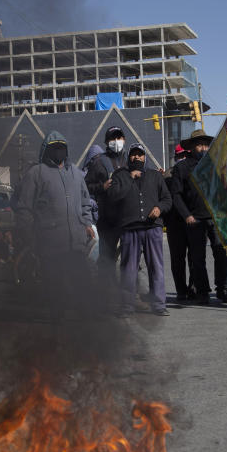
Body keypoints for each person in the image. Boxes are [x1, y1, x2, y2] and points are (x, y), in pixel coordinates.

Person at [15, 131, 95, 319]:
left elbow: (85, 202)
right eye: (54, 147)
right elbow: (24, 208)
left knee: (82, 281)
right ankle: (56, 321)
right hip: (50, 243)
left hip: (75, 242)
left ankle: (86, 316)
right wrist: (28, 237)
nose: (59, 151)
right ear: (46, 150)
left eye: (62, 147)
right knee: (54, 284)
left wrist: (87, 223)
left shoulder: (76, 173)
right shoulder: (36, 173)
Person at [106, 143, 172, 316]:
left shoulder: (154, 176)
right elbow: (112, 196)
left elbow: (167, 199)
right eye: (134, 155)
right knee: (128, 269)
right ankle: (127, 306)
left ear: (145, 157)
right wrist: (130, 178)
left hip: (152, 228)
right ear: (129, 157)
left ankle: (159, 304)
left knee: (156, 266)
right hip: (130, 228)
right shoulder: (120, 175)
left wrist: (159, 208)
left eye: (140, 155)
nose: (137, 157)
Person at [171, 129, 227, 304]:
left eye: (205, 144)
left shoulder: (216, 165)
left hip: (216, 217)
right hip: (194, 219)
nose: (203, 148)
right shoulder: (181, 168)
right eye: (199, 144)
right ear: (191, 147)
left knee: (221, 253)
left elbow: (226, 190)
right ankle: (203, 291)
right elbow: (176, 195)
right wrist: (186, 215)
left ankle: (222, 289)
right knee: (198, 258)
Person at [84, 126, 126, 292]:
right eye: (112, 138)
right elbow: (86, 185)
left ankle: (128, 292)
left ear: (124, 139)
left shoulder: (130, 159)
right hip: (107, 220)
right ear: (107, 142)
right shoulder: (99, 161)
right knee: (106, 259)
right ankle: (104, 294)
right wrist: (102, 187)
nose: (116, 141)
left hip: (127, 219)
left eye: (119, 137)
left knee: (130, 259)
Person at [165, 143, 192, 301]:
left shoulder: (195, 171)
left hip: (192, 220)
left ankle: (194, 287)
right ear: (175, 158)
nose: (182, 159)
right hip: (175, 223)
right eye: (179, 156)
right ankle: (181, 290)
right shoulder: (167, 175)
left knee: (195, 258)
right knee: (177, 259)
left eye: (184, 156)